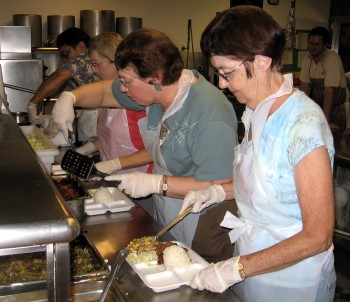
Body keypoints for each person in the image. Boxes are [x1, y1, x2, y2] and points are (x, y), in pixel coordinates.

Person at [180, 6, 336, 301]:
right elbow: (269, 189)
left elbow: (318, 236)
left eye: (226, 73)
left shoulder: (303, 125)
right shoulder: (254, 112)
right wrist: (216, 192)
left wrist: (236, 268)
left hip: (294, 279)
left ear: (262, 61)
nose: (221, 84)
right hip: (253, 260)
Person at [52, 28, 239, 262]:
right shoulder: (156, 94)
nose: (121, 88)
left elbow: (219, 183)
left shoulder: (209, 113)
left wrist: (156, 183)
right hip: (170, 207)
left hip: (204, 219)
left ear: (156, 78)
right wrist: (70, 98)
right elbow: (102, 93)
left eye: (126, 81)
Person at [75, 32, 152, 174]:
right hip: (113, 178)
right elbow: (112, 138)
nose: (93, 70)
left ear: (115, 61)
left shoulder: (139, 99)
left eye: (96, 64)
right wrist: (88, 148)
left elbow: (156, 150)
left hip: (140, 180)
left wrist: (114, 164)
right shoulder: (106, 98)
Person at [28, 27, 100, 143]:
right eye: (61, 55)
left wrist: (32, 104)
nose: (64, 59)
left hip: (100, 118)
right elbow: (56, 83)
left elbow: (59, 76)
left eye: (66, 53)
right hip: (95, 119)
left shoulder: (85, 59)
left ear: (81, 46)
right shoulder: (81, 65)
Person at [300, 26, 348, 133]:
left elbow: (329, 91)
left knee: (338, 142)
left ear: (325, 45)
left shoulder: (332, 58)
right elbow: (304, 88)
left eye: (317, 44)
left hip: (338, 110)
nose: (312, 47)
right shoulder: (307, 57)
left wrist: (326, 121)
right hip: (321, 109)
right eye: (311, 43)